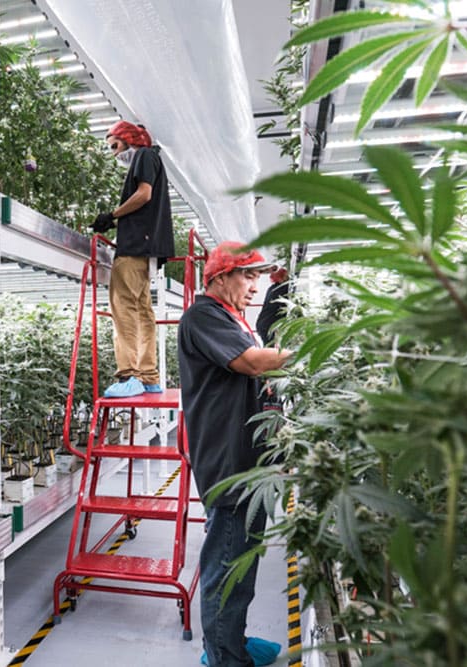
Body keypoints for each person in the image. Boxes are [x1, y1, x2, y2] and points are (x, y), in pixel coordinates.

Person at [178, 241, 292, 667]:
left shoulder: (235, 319)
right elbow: (251, 363)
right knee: (226, 567)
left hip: (250, 463)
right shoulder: (203, 314)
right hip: (229, 468)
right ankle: (223, 657)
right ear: (219, 277)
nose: (254, 285)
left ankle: (233, 643)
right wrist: (312, 353)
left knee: (241, 566)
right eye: (247, 275)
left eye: (257, 277)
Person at [91, 120, 174, 398]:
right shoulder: (151, 159)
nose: (115, 153)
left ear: (129, 139)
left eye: (115, 146)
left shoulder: (144, 155)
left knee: (123, 308)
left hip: (136, 246)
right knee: (142, 312)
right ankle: (148, 376)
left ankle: (128, 375)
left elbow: (143, 194)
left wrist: (112, 216)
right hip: (147, 247)